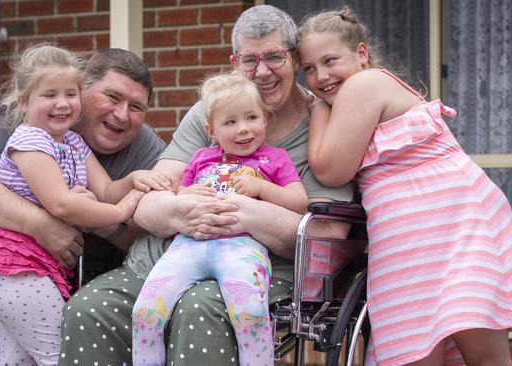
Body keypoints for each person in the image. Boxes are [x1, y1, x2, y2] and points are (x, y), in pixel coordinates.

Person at [57, 5, 354, 366]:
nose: (262, 71)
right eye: (249, 60)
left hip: (263, 272)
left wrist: (243, 211)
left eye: (274, 56)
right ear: (234, 63)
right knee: (88, 309)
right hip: (164, 260)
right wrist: (182, 211)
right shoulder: (210, 111)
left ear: (292, 58)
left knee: (200, 308)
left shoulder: (322, 122)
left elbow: (326, 234)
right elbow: (151, 198)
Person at [298, 7, 512, 366]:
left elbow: (330, 170)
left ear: (361, 54)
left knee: (484, 356)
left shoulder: (365, 84)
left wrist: (316, 109)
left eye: (330, 60)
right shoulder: (349, 96)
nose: (321, 76)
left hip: (455, 222)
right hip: (411, 236)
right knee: (414, 348)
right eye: (308, 69)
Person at [0, 48, 167, 366]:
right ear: (83, 91)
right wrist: (42, 224)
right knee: (63, 357)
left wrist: (118, 201)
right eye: (112, 97)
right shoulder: (31, 124)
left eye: (136, 107)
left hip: (41, 284)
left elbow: (137, 227)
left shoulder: (131, 145)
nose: (123, 114)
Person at [132, 73, 308, 366]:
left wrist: (263, 188)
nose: (243, 129)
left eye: (251, 117)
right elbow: (179, 193)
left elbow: (299, 202)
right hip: (188, 246)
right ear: (211, 129)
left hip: (240, 250)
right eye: (230, 122)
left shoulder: (275, 159)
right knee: (145, 311)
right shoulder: (201, 157)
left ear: (265, 118)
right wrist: (187, 193)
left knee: (250, 312)